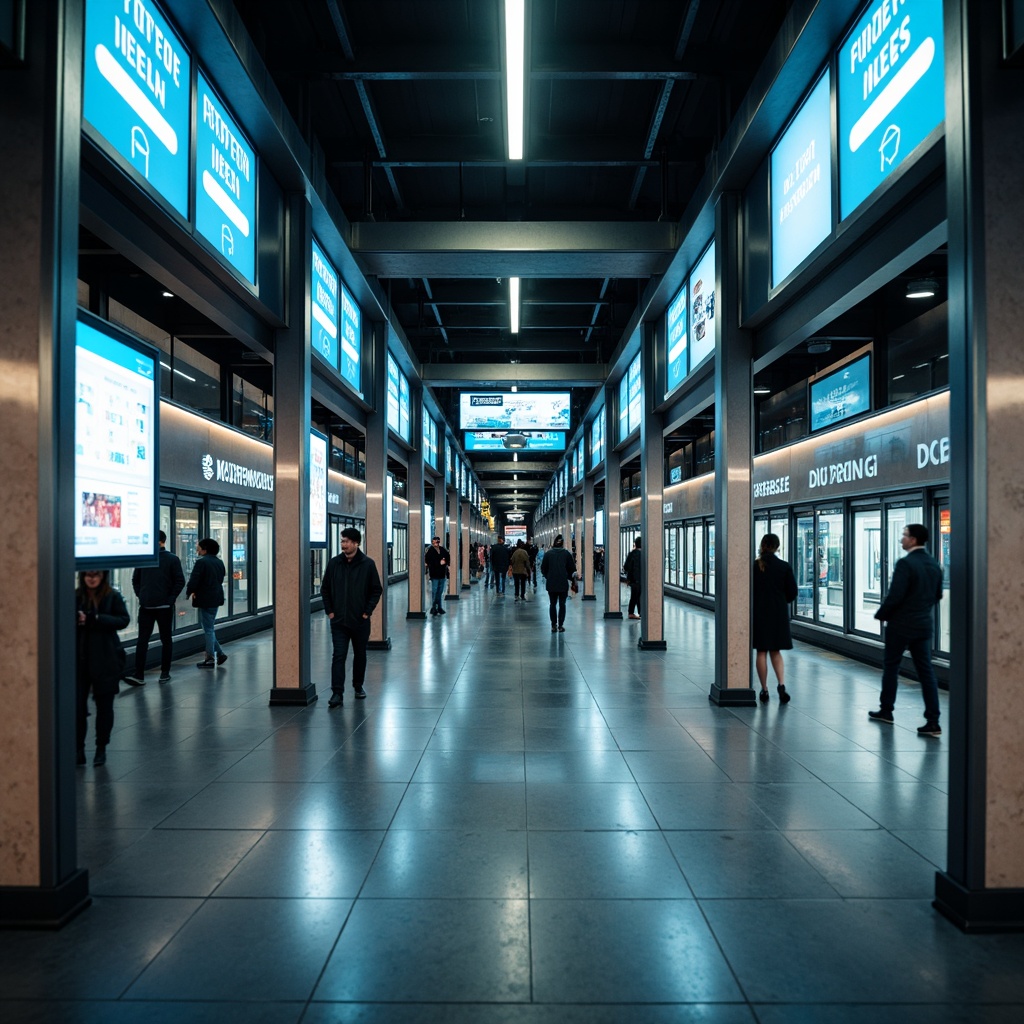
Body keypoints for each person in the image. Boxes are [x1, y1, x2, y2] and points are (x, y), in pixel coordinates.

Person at [869, 523, 943, 737]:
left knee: (891, 666)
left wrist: (881, 614)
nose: (901, 539)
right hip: (923, 624)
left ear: (913, 540)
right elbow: (937, 595)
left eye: (904, 535)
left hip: (901, 625)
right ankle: (933, 721)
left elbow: (895, 595)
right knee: (926, 671)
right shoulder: (934, 564)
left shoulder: (905, 563)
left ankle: (886, 710)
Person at [321, 526, 383, 707]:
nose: (343, 544)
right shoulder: (334, 563)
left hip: (360, 621)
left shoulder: (367, 564)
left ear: (356, 543)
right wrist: (330, 611)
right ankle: (337, 693)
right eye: (342, 541)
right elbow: (325, 589)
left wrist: (366, 611)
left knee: (360, 654)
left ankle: (358, 686)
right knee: (338, 655)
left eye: (347, 541)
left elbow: (376, 589)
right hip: (339, 620)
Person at [76, 569, 130, 766]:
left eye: (95, 574)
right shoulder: (75, 596)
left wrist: (95, 619)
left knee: (104, 707)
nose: (91, 578)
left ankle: (101, 747)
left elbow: (123, 620)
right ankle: (78, 748)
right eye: (88, 575)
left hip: (106, 659)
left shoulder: (112, 596)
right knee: (77, 709)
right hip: (79, 660)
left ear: (102, 576)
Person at [126, 530, 185, 685]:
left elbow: (180, 581)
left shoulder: (171, 559)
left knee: (163, 639)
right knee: (145, 640)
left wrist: (169, 599)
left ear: (160, 541)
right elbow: (135, 580)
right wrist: (142, 595)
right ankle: (140, 674)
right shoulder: (145, 559)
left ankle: (163, 672)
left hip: (161, 606)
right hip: (149, 606)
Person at [751, 533, 798, 704]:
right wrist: (780, 601)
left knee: (761, 652)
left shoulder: (754, 566)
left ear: (762, 545)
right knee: (776, 652)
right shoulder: (784, 567)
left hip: (759, 613)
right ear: (777, 547)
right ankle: (781, 684)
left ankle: (764, 690)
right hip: (778, 614)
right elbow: (792, 592)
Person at [186, 538, 227, 669]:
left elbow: (194, 580)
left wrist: (189, 591)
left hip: (205, 598)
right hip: (216, 597)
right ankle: (220, 654)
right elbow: (220, 578)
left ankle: (210, 658)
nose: (197, 549)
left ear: (205, 549)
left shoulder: (201, 563)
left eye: (199, 547)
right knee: (209, 627)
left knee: (208, 629)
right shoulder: (219, 562)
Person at [540, 534, 577, 633]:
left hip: (551, 584)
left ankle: (553, 625)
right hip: (562, 584)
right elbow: (572, 570)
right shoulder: (566, 554)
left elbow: (543, 568)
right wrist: (568, 577)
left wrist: (549, 576)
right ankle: (560, 625)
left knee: (552, 604)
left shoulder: (548, 554)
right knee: (562, 604)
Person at [425, 535, 449, 616]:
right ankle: (433, 607)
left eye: (437, 541)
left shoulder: (442, 549)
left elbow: (448, 557)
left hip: (442, 574)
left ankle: (439, 607)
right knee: (434, 591)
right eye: (434, 541)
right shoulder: (430, 551)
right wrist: (439, 562)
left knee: (440, 592)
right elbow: (428, 561)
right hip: (434, 574)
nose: (436, 543)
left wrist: (445, 561)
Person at [623, 537, 643, 619]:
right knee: (637, 596)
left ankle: (633, 612)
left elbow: (626, 567)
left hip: (632, 579)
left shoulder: (631, 554)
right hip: (640, 579)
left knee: (634, 596)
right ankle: (636, 612)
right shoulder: (643, 555)